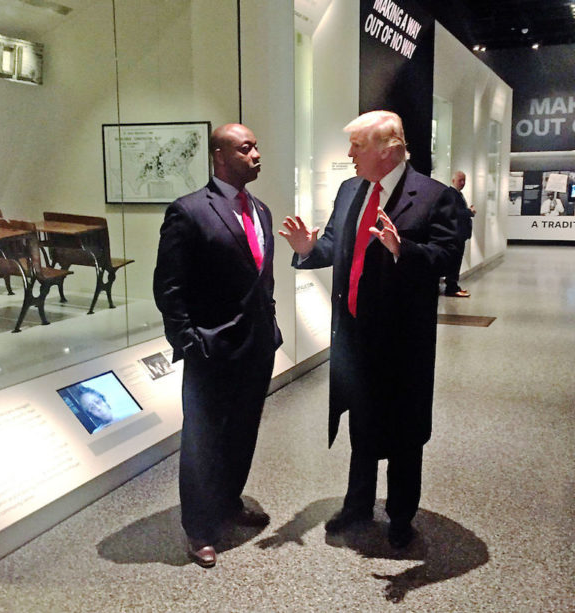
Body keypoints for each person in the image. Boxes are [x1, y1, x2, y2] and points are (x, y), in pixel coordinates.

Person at [280, 110, 456, 548]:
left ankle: (400, 516)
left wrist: (404, 249)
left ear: (389, 150)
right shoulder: (350, 190)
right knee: (361, 420)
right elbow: (335, 246)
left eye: (357, 146)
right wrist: (307, 250)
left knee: (403, 428)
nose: (349, 154)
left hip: (402, 342)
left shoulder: (436, 197)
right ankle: (357, 503)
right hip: (354, 334)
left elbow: (446, 257)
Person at [153, 123, 282, 568]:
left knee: (243, 431)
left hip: (257, 347)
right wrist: (188, 341)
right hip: (210, 348)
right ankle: (200, 528)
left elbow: (260, 277)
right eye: (246, 148)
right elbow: (168, 287)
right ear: (220, 156)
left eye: (256, 145)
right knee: (203, 440)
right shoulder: (188, 211)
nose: (256, 154)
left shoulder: (261, 210)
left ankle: (228, 502)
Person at [444, 170, 475, 298]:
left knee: (456, 261)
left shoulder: (457, 194)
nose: (462, 183)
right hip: (455, 235)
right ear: (453, 181)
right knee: (454, 261)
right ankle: (451, 287)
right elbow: (455, 213)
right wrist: (470, 212)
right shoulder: (451, 195)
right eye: (460, 180)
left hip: (458, 235)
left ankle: (453, 285)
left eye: (464, 180)